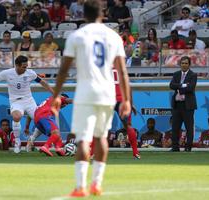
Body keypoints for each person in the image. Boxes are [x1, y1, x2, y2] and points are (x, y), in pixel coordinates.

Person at [51, 0, 131, 197]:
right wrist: (127, 100)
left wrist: (55, 95)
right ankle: (97, 183)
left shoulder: (77, 36)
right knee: (101, 138)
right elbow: (122, 71)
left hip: (86, 93)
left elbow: (63, 70)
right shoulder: (113, 36)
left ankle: (80, 187)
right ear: (102, 14)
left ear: (83, 15)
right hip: (107, 93)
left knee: (83, 139)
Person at [0, 55, 54, 153]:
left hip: (29, 100)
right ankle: (17, 141)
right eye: (23, 66)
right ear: (17, 65)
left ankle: (32, 140)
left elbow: (43, 82)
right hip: (16, 101)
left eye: (26, 66)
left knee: (41, 120)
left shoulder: (30, 73)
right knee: (16, 117)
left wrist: (54, 93)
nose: (26, 68)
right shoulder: (8, 73)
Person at [169, 56, 197, 152]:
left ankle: (188, 147)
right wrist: (183, 85)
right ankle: (175, 147)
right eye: (182, 63)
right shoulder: (176, 74)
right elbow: (171, 85)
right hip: (177, 105)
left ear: (189, 64)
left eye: (186, 63)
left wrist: (178, 87)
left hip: (188, 105)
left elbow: (190, 88)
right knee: (175, 127)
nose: (184, 65)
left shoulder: (193, 75)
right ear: (180, 64)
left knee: (189, 127)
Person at [113, 68, 140, 158]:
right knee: (128, 126)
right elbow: (128, 87)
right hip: (122, 99)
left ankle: (92, 153)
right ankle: (135, 153)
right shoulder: (121, 69)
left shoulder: (103, 67)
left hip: (108, 98)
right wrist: (131, 103)